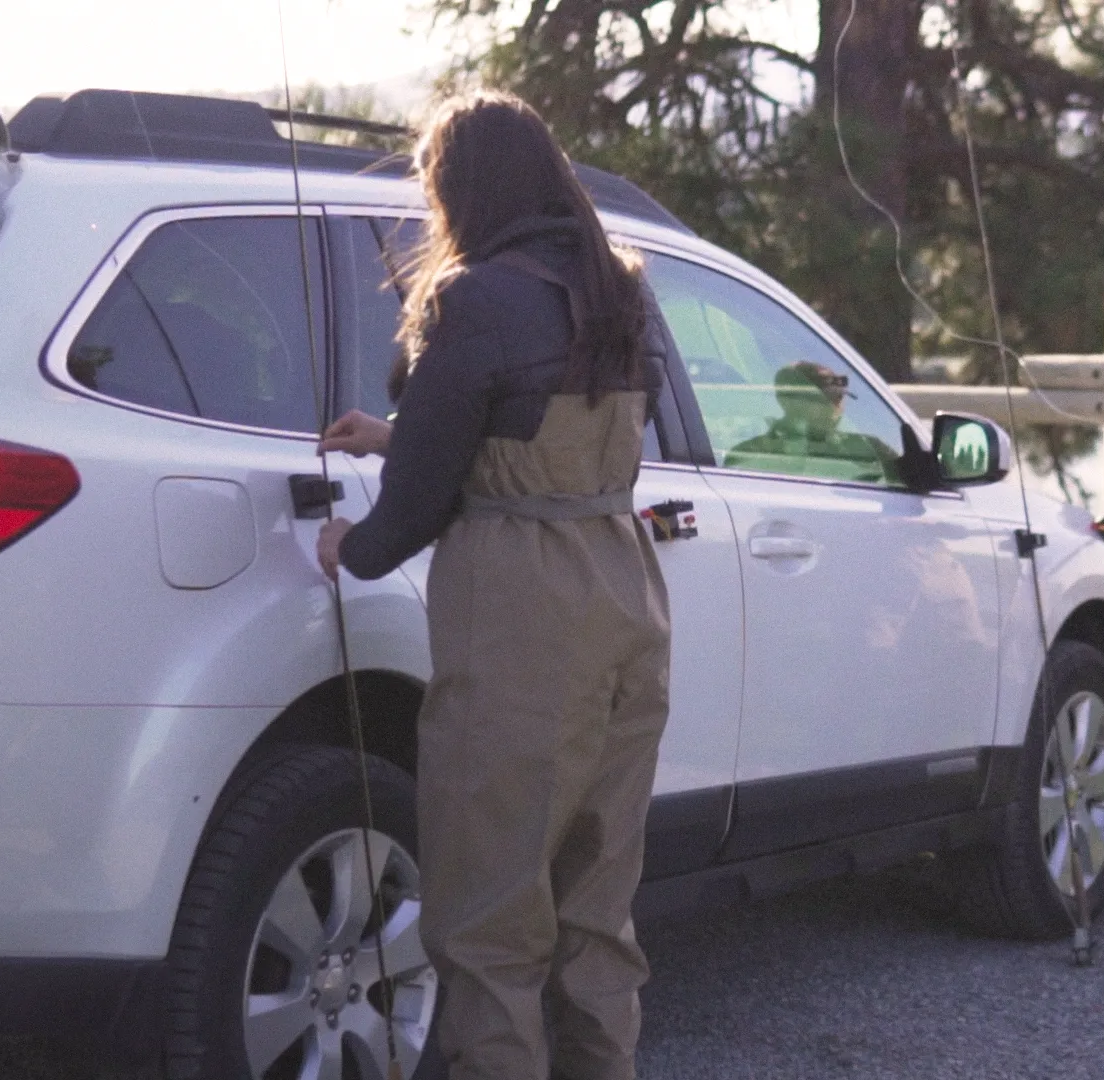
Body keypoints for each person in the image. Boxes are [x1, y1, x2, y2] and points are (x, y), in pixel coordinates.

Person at [314, 92, 673, 1079]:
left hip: (525, 616)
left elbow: (425, 496)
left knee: (489, 918)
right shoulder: (620, 285)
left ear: (461, 189)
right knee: (599, 911)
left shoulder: (472, 297)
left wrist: (358, 542)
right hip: (625, 591)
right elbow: (543, 436)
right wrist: (398, 434)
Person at [723, 359, 897, 481]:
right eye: (823, 400)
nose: (834, 408)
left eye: (838, 399)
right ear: (786, 402)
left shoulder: (868, 448)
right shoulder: (748, 455)